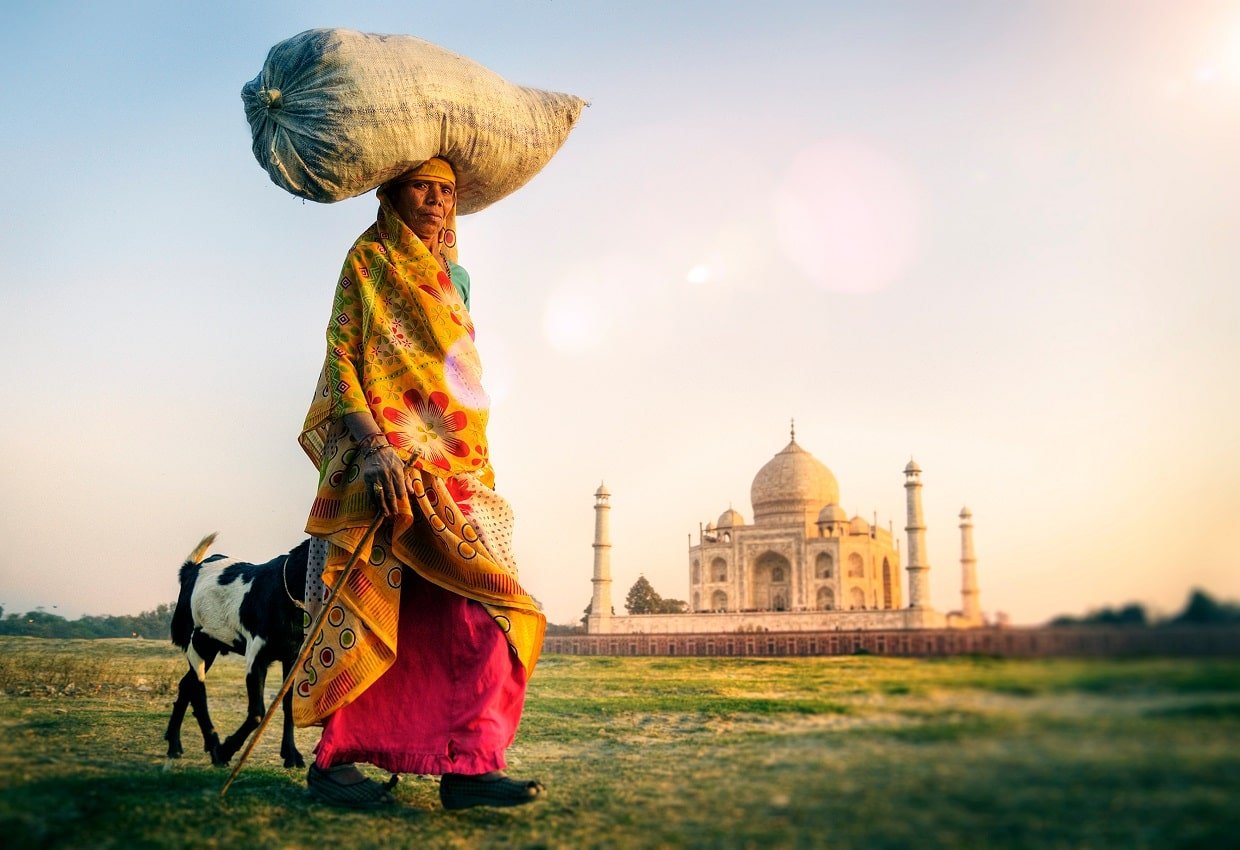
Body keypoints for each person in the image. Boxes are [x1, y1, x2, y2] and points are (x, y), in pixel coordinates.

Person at [292, 156, 547, 810]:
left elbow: (456, 370)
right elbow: (345, 359)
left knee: (488, 610)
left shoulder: (457, 278)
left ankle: (469, 768)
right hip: (383, 465)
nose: (435, 201)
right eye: (421, 187)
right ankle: (333, 764)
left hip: (455, 467)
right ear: (392, 193)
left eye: (445, 191)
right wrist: (377, 448)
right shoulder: (367, 264)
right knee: (367, 604)